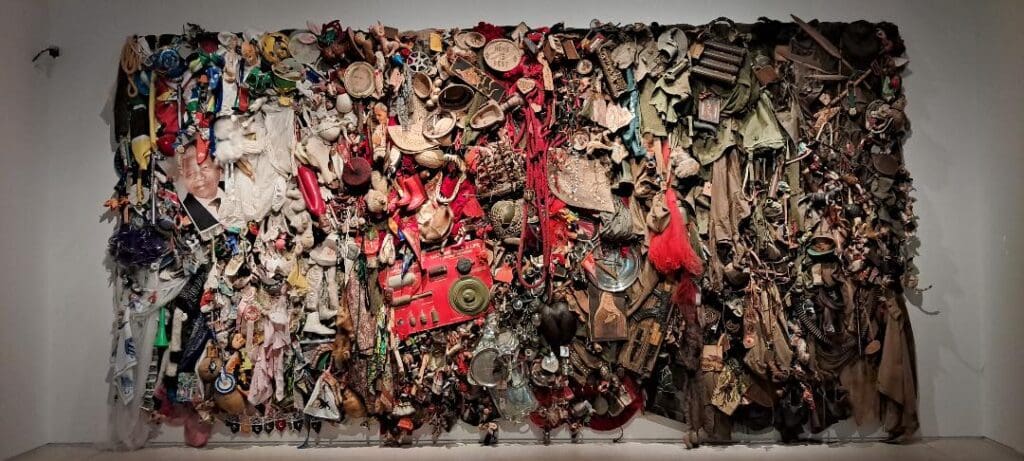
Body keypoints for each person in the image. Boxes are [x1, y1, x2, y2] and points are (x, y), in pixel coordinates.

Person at [177, 144, 224, 239]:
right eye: (190, 173)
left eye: (205, 168)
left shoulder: (231, 187)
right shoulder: (185, 211)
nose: (199, 177)